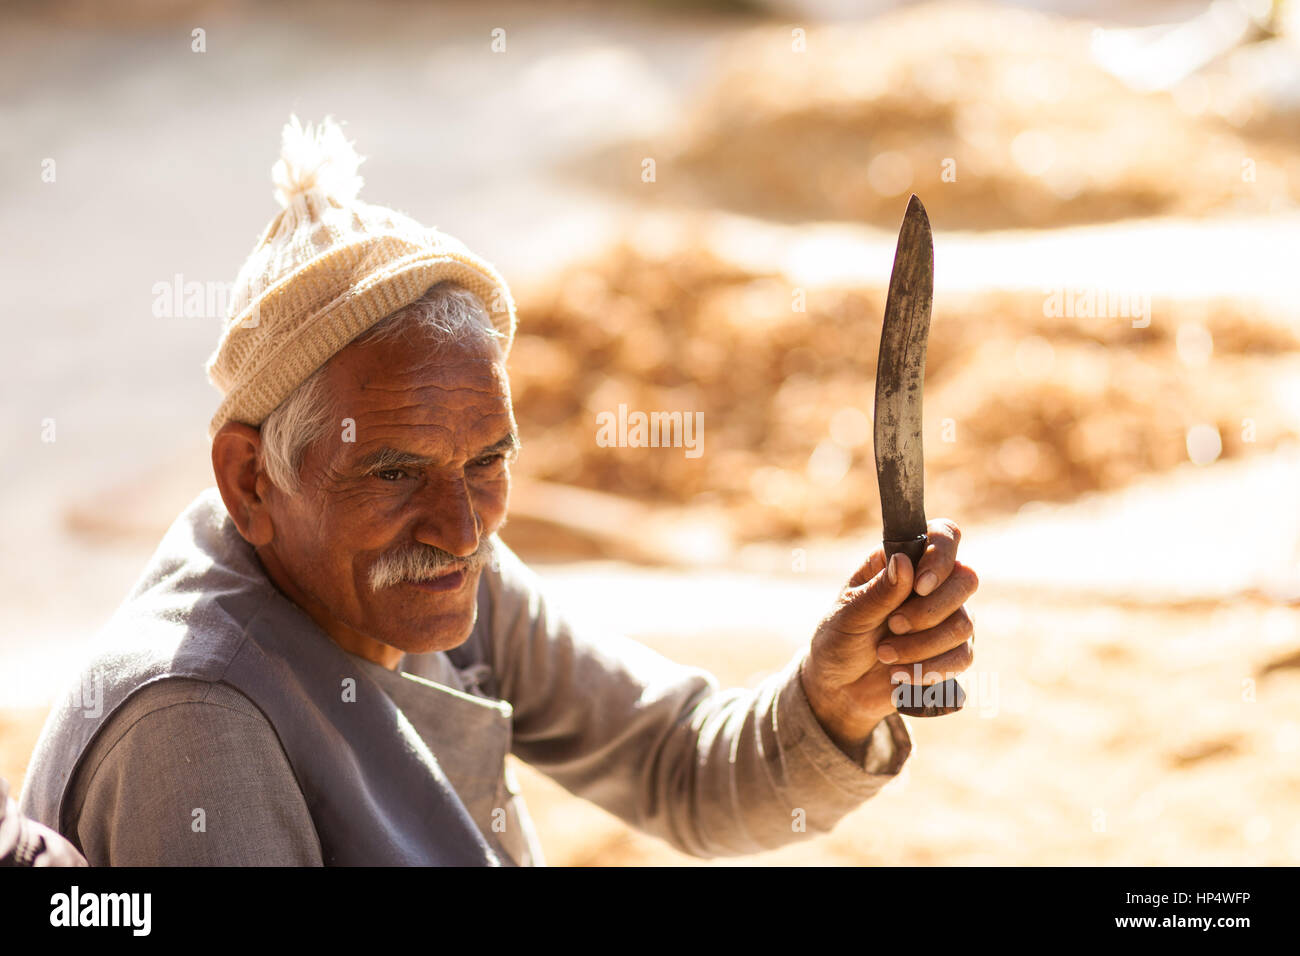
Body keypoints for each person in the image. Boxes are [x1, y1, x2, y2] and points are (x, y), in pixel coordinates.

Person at [19, 117, 977, 866]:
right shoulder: (196, 722)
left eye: (488, 459)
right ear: (249, 480)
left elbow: (676, 762)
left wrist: (835, 701)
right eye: (394, 471)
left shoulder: (440, 572)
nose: (463, 524)